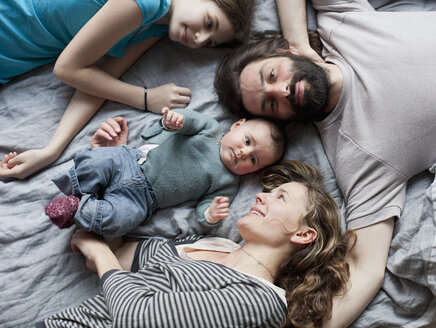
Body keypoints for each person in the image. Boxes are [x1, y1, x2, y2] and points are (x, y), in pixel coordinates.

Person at [213, 0, 436, 326]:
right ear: (281, 123)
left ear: (284, 52)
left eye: (272, 74)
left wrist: (299, 41)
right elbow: (364, 269)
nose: (283, 89)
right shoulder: (358, 158)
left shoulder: (342, 24)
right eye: (271, 104)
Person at [38, 160, 354, 328]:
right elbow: (119, 261)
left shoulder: (264, 302)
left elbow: (134, 316)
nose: (261, 195)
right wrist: (108, 179)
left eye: (280, 197)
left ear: (302, 234)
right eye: (268, 191)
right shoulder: (210, 241)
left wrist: (98, 250)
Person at [0, 0, 255, 180]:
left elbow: (99, 81)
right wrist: (145, 98)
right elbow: (67, 70)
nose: (199, 39)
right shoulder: (144, 4)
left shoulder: (156, 26)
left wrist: (51, 150)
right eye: (208, 22)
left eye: (209, 42)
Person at [44, 108, 285, 240]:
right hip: (132, 161)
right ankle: (77, 187)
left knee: (120, 222)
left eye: (253, 159)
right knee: (98, 161)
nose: (244, 152)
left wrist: (211, 215)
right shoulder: (210, 129)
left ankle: (76, 209)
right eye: (247, 140)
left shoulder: (228, 183)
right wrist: (174, 121)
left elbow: (204, 211)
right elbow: (187, 121)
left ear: (255, 170)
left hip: (143, 200)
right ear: (237, 124)